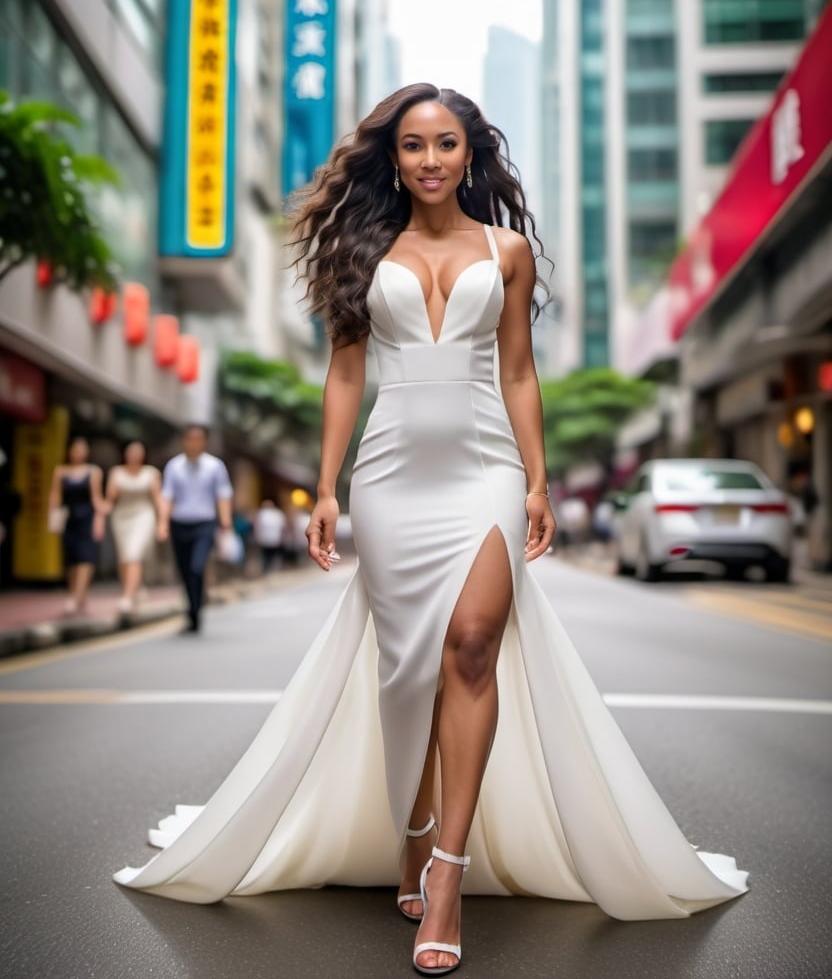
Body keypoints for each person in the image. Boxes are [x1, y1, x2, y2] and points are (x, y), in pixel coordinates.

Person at [114, 86, 747, 974]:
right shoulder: (363, 244)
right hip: (389, 474)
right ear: (394, 158)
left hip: (485, 464)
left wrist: (537, 480)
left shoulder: (509, 250)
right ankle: (411, 825)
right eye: (413, 146)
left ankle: (446, 870)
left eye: (446, 144)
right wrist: (326, 488)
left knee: (475, 645)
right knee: (406, 666)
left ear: (471, 153)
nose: (430, 160)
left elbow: (520, 373)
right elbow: (344, 376)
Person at [156, 424, 233, 634]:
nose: (194, 443)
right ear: (184, 441)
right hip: (179, 523)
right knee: (184, 570)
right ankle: (192, 611)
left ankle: (197, 608)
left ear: (204, 442)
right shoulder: (174, 466)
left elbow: (223, 494)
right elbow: (167, 495)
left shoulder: (215, 466)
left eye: (198, 439)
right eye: (190, 438)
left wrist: (225, 521)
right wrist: (163, 523)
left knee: (196, 567)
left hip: (205, 523)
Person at [48, 436, 106, 615]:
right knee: (72, 559)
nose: (79, 452)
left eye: (82, 449)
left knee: (85, 558)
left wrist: (99, 520)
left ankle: (77, 597)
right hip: (69, 519)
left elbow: (96, 499)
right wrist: (52, 518)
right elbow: (55, 496)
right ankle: (75, 593)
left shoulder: (93, 471)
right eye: (76, 449)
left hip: (86, 518)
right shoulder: (61, 471)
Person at [106, 441, 163, 612]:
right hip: (121, 516)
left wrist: (163, 522)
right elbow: (110, 499)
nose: (134, 455)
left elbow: (158, 498)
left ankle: (127, 596)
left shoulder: (151, 473)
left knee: (133, 553)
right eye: (131, 452)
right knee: (124, 557)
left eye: (138, 452)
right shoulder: (116, 472)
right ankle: (136, 588)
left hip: (143, 515)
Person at [253, 499, 286, 573]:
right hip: (265, 539)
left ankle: (270, 568)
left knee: (272, 555)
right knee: (266, 555)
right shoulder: (261, 514)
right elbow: (256, 526)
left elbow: (282, 527)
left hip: (274, 538)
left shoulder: (277, 514)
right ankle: (267, 569)